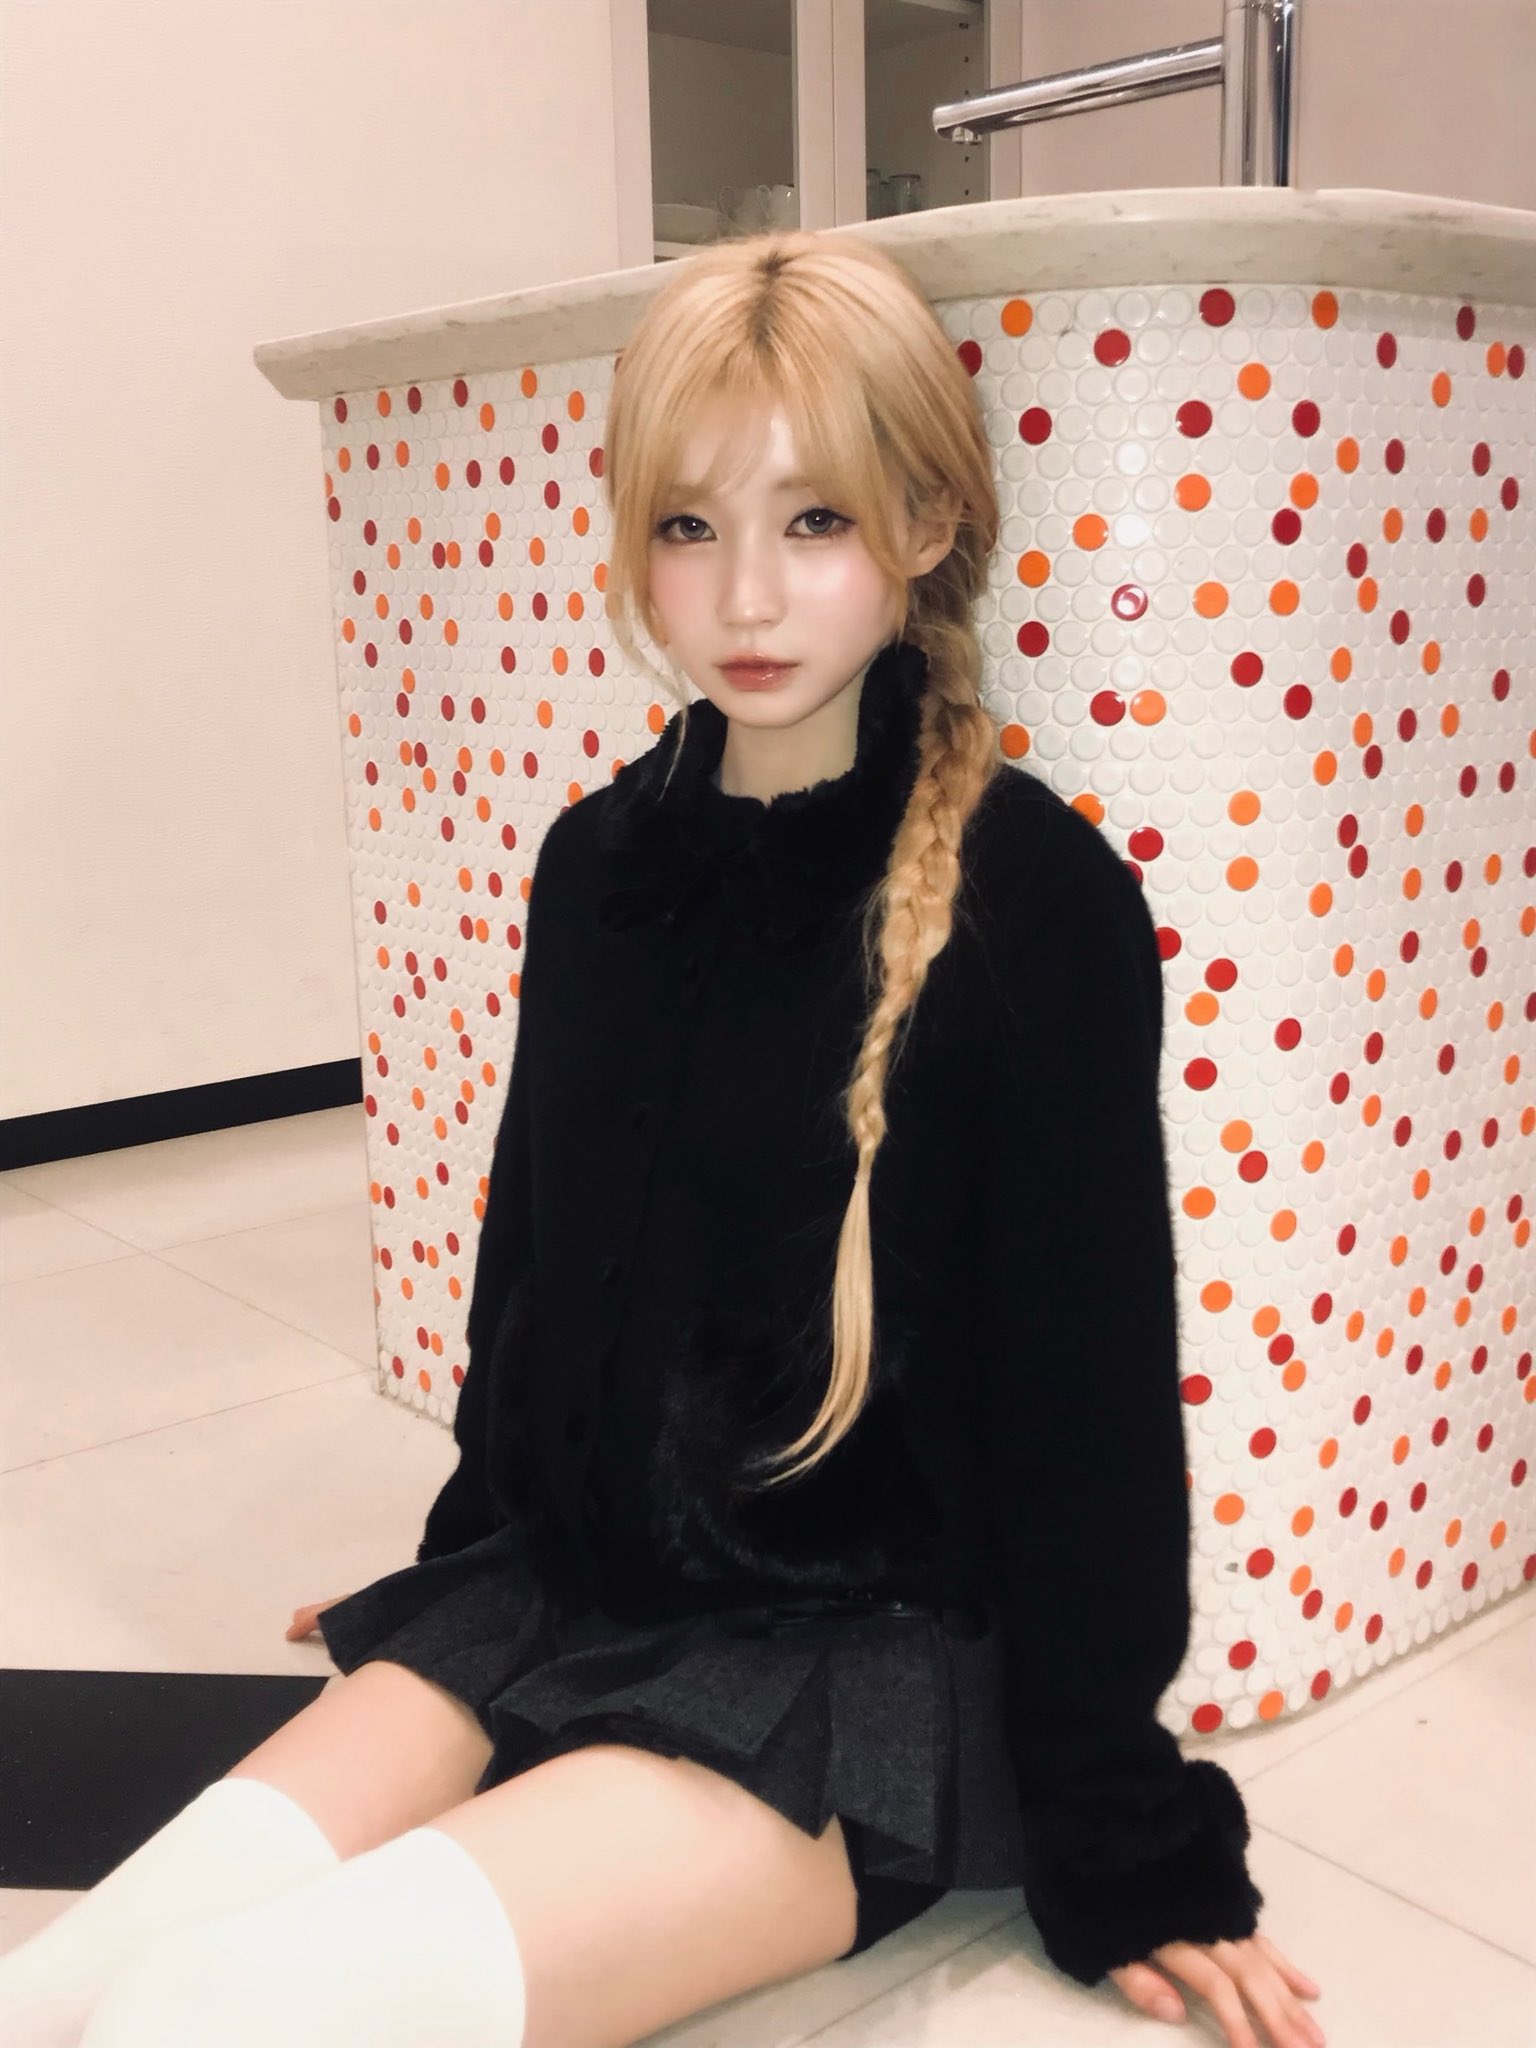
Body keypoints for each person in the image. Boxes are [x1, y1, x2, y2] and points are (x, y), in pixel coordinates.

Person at [0, 228, 1327, 2048]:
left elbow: (1087, 1399)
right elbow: (540, 1264)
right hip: (567, 1588)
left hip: (850, 1662)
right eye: (692, 527)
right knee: (66, 1988)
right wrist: (468, 1554)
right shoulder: (600, 859)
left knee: (214, 2013)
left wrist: (1122, 1839)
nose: (746, 597)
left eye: (816, 519)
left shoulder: (1035, 901)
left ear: (927, 523)